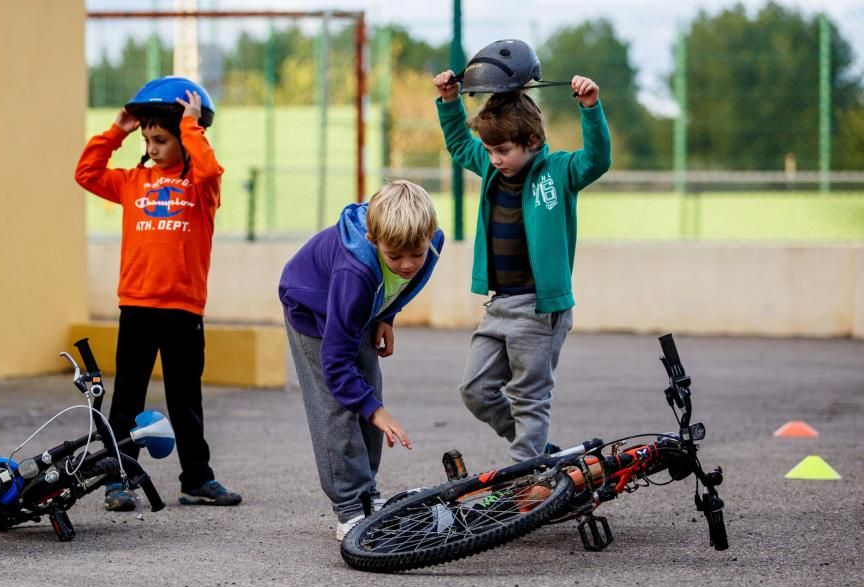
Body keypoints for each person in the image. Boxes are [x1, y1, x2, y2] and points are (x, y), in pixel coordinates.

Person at [74, 76, 241, 510]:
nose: (152, 147)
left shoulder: (201, 188)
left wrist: (190, 125)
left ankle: (196, 480)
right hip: (137, 307)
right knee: (127, 398)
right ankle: (117, 479)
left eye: (161, 139)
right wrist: (118, 130)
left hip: (183, 310)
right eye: (148, 139)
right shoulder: (131, 182)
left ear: (185, 139)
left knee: (185, 401)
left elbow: (207, 167)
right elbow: (86, 173)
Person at [433, 66, 611, 462]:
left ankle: (526, 474)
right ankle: (535, 451)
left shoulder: (559, 171)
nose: (493, 159)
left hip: (538, 309)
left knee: (530, 398)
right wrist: (448, 101)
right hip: (498, 306)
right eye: (491, 150)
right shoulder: (492, 169)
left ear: (532, 140)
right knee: (475, 390)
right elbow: (462, 145)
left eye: (502, 151)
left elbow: (597, 160)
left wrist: (590, 107)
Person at [279, 180, 444, 540]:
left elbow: (409, 282)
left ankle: (368, 495)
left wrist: (388, 314)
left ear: (430, 235)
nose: (406, 264)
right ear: (373, 239)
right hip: (313, 309)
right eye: (394, 256)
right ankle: (350, 509)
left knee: (368, 390)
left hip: (361, 308)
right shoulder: (354, 273)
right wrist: (376, 411)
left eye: (415, 253)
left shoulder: (430, 244)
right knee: (339, 405)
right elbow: (336, 363)